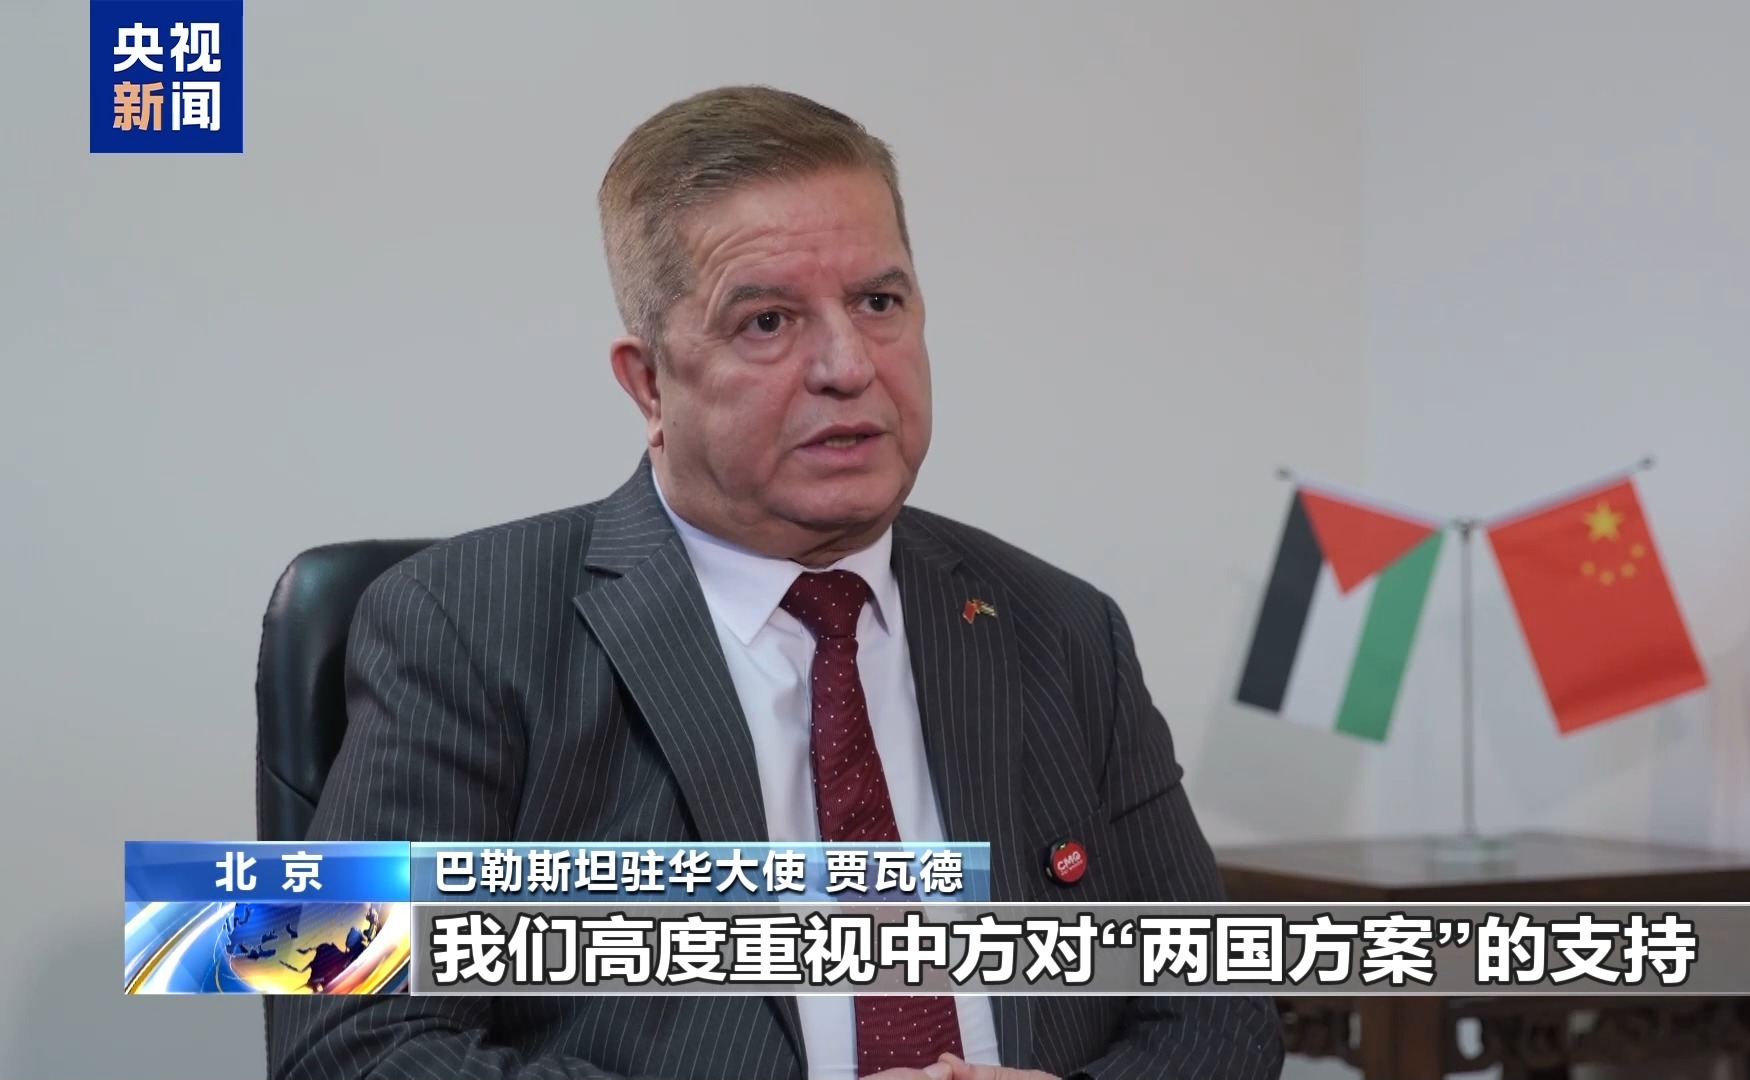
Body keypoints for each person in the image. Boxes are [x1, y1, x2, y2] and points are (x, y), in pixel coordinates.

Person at [268, 85, 1285, 1080]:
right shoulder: (458, 624)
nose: (848, 365)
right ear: (649, 383)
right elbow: (346, 1045)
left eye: (879, 303)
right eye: (767, 321)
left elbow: (1221, 1018)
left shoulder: (1060, 627)